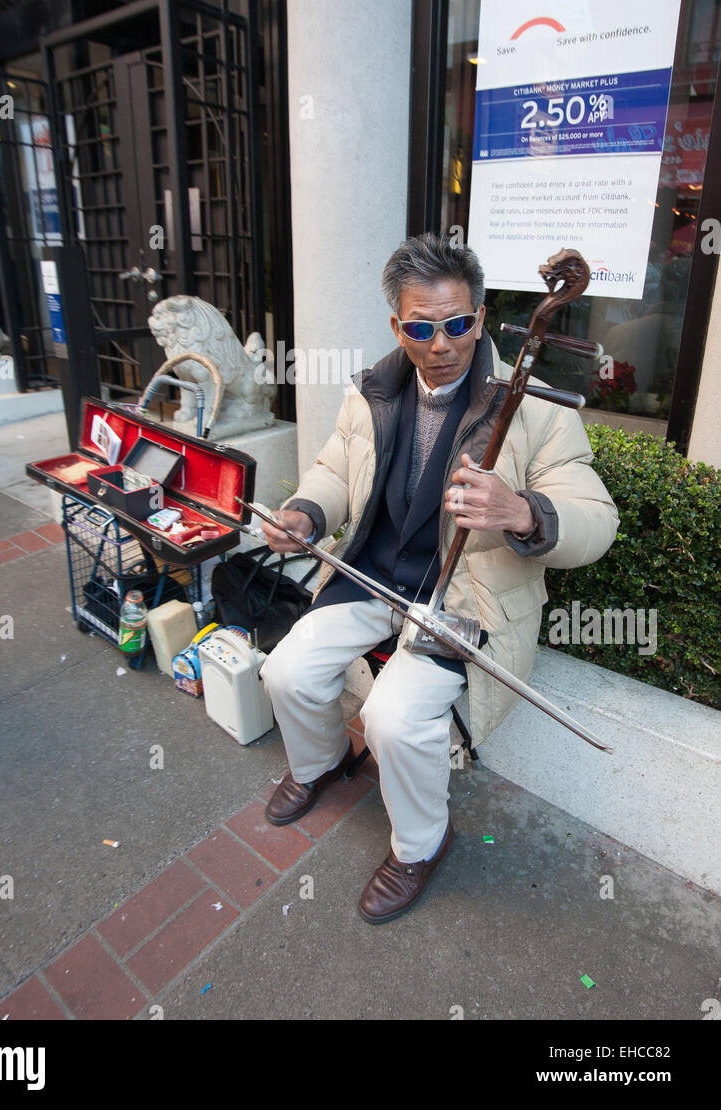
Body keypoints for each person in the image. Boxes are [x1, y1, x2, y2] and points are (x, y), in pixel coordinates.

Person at [258, 234, 619, 924]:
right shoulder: (371, 391)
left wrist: (522, 512)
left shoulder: (531, 405)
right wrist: (305, 513)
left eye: (457, 323)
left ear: (480, 317)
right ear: (398, 327)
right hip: (372, 575)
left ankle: (420, 845)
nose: (441, 343)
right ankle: (320, 762)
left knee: (393, 719)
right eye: (421, 328)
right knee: (286, 671)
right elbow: (335, 470)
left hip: (462, 599)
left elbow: (594, 517)